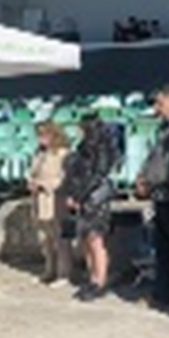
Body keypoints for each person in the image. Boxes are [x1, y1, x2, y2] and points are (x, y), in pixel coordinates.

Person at [135, 85, 169, 313]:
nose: (157, 109)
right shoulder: (164, 129)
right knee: (163, 248)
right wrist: (142, 177)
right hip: (160, 196)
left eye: (160, 103)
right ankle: (163, 293)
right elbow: (154, 160)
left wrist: (152, 181)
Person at [62, 113, 121, 302]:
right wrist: (73, 194)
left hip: (95, 198)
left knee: (96, 240)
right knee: (86, 239)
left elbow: (97, 175)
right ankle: (92, 278)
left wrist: (79, 195)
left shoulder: (100, 148)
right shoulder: (84, 147)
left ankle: (100, 280)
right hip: (84, 196)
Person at [28, 121, 72, 288]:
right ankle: (49, 270)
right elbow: (33, 172)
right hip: (39, 200)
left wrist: (44, 185)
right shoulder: (39, 153)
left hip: (55, 200)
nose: (40, 138)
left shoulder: (63, 154)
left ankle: (64, 273)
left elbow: (64, 178)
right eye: (38, 135)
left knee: (60, 238)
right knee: (44, 238)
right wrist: (32, 182)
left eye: (43, 134)